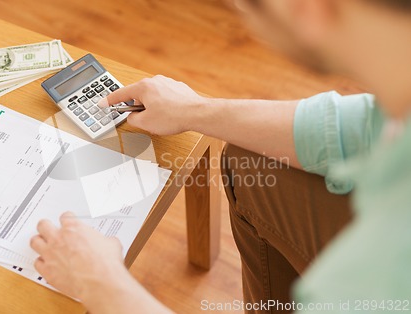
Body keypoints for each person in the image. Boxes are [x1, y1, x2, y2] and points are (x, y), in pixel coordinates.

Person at [30, 0, 411, 313]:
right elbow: (357, 126)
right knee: (252, 157)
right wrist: (196, 109)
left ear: (309, 10)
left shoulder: (382, 268)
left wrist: (101, 284)